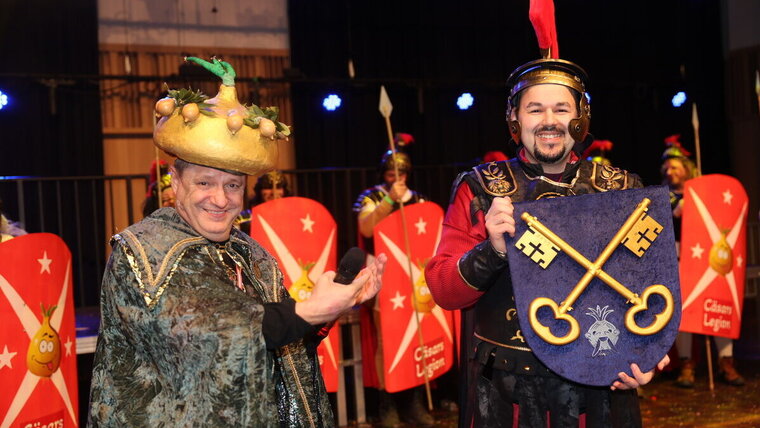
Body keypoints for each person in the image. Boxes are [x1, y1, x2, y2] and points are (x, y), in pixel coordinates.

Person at [88, 57, 387, 427]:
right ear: (175, 183)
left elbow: (280, 340)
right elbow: (211, 334)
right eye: (204, 183)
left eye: (232, 185)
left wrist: (329, 305)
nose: (220, 199)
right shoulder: (145, 253)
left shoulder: (249, 252)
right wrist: (308, 311)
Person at [425, 58, 669, 427]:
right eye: (535, 109)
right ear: (515, 118)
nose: (549, 121)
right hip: (506, 391)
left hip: (600, 382)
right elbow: (444, 289)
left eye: (561, 109)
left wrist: (649, 353)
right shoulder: (481, 189)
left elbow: (651, 285)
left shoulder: (621, 189)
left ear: (581, 117)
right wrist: (492, 250)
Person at [352, 140, 431, 427]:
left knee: (417, 339)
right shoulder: (371, 197)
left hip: (414, 281)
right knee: (387, 342)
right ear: (382, 174)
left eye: (401, 173)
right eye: (390, 173)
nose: (397, 178)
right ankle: (388, 403)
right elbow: (366, 228)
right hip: (384, 281)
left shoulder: (419, 199)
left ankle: (414, 402)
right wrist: (388, 202)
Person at [660, 137, 746, 388]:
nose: (670, 171)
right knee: (685, 313)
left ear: (687, 167)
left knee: (718, 308)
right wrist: (687, 203)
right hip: (679, 260)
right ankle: (687, 365)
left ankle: (726, 363)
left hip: (710, 261)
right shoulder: (664, 196)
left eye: (675, 167)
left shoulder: (706, 193)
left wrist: (704, 196)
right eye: (667, 168)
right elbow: (673, 214)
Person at [235, 170, 291, 234]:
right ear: (259, 191)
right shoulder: (243, 219)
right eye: (268, 187)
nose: (274, 193)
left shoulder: (293, 217)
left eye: (278, 187)